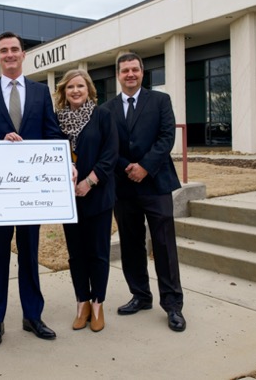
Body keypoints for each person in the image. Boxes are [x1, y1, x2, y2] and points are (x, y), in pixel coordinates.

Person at [0, 31, 66, 347]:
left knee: (29, 255)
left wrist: (63, 163)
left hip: (30, 194)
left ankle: (32, 317)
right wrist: (0, 142)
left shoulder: (40, 93)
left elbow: (52, 135)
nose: (10, 54)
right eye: (3, 51)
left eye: (15, 49)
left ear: (23, 55)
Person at [101, 53, 186, 332]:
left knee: (163, 244)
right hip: (124, 186)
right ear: (118, 74)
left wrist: (145, 167)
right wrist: (128, 168)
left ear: (142, 71)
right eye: (125, 70)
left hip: (156, 183)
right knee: (131, 243)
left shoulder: (160, 101)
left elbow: (166, 138)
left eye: (135, 69)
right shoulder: (107, 109)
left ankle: (173, 305)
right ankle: (140, 295)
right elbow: (108, 146)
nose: (130, 74)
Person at [53, 69, 118, 333]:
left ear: (89, 89)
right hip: (69, 200)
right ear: (63, 92)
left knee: (98, 253)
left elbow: (111, 153)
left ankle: (98, 303)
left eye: (80, 86)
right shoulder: (56, 120)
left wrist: (89, 181)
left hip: (98, 195)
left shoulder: (102, 116)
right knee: (76, 254)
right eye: (70, 87)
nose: (75, 91)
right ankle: (82, 303)